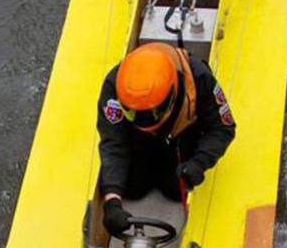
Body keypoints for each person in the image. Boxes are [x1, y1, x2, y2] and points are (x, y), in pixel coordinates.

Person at [97, 41, 236, 236]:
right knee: (133, 189)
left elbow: (223, 128)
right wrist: (112, 201)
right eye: (133, 113)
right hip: (139, 142)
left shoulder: (200, 79)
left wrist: (199, 162)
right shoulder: (114, 87)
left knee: (175, 189)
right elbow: (114, 143)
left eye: (148, 113)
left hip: (181, 137)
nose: (141, 118)